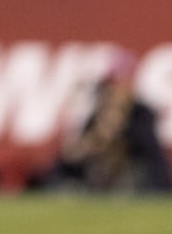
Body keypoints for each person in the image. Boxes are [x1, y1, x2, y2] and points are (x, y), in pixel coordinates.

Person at [38, 50, 171, 193]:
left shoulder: (141, 114)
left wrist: (119, 133)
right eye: (108, 86)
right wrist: (95, 140)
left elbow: (151, 158)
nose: (111, 91)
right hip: (96, 183)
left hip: (133, 183)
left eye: (116, 85)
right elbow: (70, 156)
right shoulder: (96, 113)